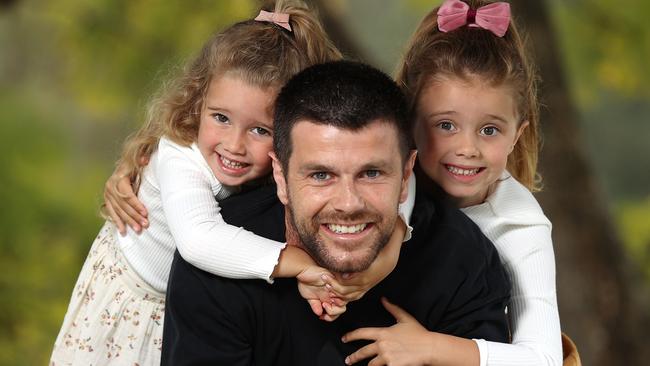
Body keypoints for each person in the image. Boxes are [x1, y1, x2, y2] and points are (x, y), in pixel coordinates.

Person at [49, 2, 378, 365]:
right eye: (221, 117)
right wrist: (296, 262)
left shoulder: (285, 164)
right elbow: (198, 239)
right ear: (197, 101)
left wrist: (390, 249)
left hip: (185, 308)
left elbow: (395, 187)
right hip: (136, 302)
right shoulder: (179, 153)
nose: (234, 145)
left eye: (259, 130)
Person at [160, 60, 511, 366]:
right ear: (280, 177)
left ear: (406, 176)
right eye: (321, 175)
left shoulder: (464, 262)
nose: (348, 203)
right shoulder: (216, 268)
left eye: (371, 173)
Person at [342, 1, 562, 365]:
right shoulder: (380, 178)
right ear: (409, 120)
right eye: (446, 125)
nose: (467, 149)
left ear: (516, 135)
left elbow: (544, 358)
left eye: (489, 130)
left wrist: (430, 347)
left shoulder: (520, 225)